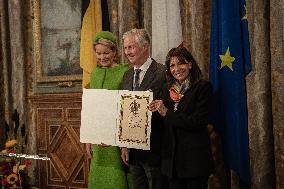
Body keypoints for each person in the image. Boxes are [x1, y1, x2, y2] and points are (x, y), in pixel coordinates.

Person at [149, 47, 215, 189]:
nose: (177, 69)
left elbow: (197, 122)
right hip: (172, 164)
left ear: (190, 64)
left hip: (194, 163)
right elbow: (162, 124)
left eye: (181, 63)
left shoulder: (203, 87)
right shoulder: (167, 91)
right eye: (172, 65)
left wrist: (166, 112)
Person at [120, 28, 167, 189]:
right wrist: (124, 144)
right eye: (126, 48)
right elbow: (124, 112)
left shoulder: (163, 72)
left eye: (131, 47)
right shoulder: (126, 76)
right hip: (133, 151)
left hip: (155, 150)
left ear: (145, 46)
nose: (127, 52)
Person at [85, 31, 132, 189]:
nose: (102, 57)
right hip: (98, 137)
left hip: (116, 137)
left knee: (116, 175)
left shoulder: (124, 72)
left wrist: (124, 141)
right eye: (98, 53)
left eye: (106, 53)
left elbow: (128, 108)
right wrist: (89, 138)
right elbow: (90, 108)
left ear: (114, 52)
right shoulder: (95, 74)